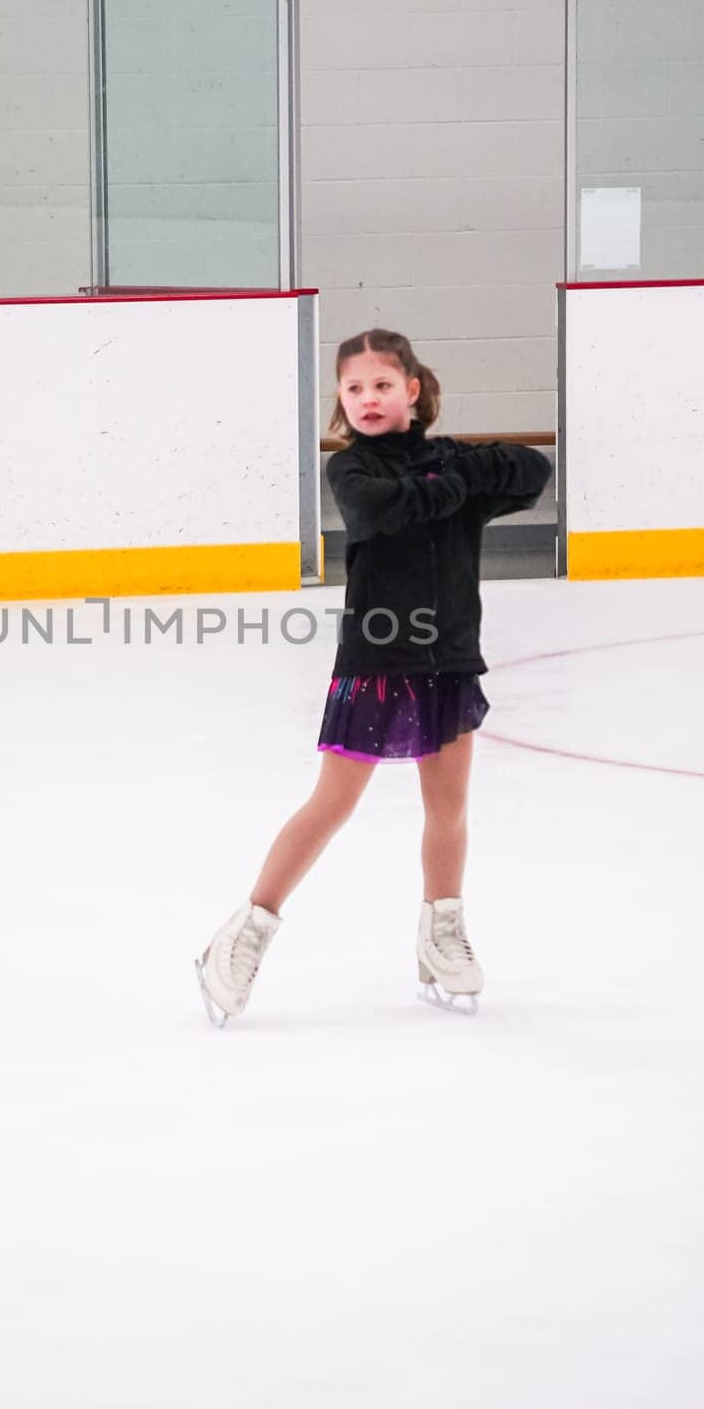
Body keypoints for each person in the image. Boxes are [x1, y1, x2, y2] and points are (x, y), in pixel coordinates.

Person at [194, 327, 552, 1026]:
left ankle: (440, 932)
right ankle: (240, 935)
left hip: (448, 655)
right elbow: (383, 510)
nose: (366, 398)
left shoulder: (445, 459)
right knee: (331, 804)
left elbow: (530, 471)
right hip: (378, 657)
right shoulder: (350, 471)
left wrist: (449, 477)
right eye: (352, 388)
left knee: (447, 808)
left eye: (381, 385)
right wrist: (457, 483)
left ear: (411, 391)